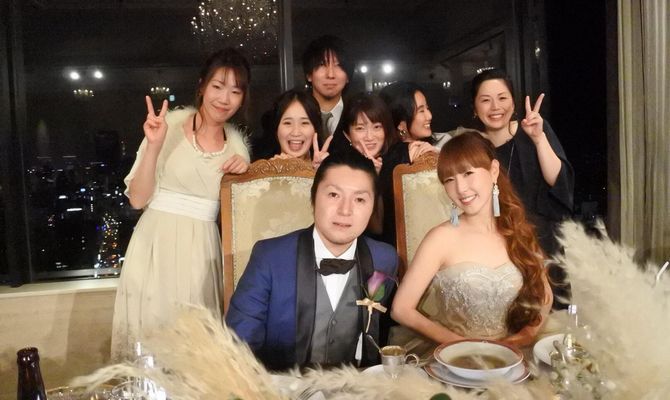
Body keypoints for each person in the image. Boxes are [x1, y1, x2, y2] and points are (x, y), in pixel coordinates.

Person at [111, 48, 252, 361]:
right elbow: (137, 199)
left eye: (235, 91)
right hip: (156, 245)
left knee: (197, 355)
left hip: (203, 253)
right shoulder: (169, 127)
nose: (224, 98)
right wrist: (154, 145)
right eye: (218, 86)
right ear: (201, 86)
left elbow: (242, 217)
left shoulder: (237, 149)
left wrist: (244, 173)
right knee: (152, 346)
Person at [226, 151, 399, 371]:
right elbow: (238, 347)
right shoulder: (270, 257)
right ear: (313, 198)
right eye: (334, 195)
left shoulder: (384, 259)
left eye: (359, 199)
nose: (345, 210)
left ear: (373, 207)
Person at [391, 131, 552, 357]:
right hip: (455, 357)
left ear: (493, 171)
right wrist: (464, 346)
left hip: (511, 353)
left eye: (468, 173)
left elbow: (545, 296)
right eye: (449, 180)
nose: (461, 189)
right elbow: (401, 309)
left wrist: (525, 336)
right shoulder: (440, 238)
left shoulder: (517, 229)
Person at [471, 68, 574, 256]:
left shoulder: (534, 130)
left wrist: (539, 139)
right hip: (495, 245)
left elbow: (560, 182)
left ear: (513, 103)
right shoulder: (474, 147)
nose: (495, 107)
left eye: (502, 98)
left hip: (541, 243)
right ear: (475, 108)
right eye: (485, 100)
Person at [333, 92, 434, 245]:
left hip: (400, 247)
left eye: (377, 127)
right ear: (347, 135)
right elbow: (376, 228)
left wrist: (432, 155)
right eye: (360, 128)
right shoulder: (339, 167)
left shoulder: (403, 154)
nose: (369, 137)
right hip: (352, 246)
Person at [302, 35, 352, 146]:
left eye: (338, 65)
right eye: (322, 64)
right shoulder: (293, 112)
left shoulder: (358, 113)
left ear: (348, 76)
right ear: (309, 75)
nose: (330, 74)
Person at [265, 89, 331, 169]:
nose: (296, 133)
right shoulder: (261, 171)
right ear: (276, 129)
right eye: (288, 123)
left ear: (315, 129)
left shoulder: (330, 170)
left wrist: (319, 172)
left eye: (304, 123)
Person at [379, 81, 451, 149]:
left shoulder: (444, 145)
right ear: (400, 124)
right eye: (421, 111)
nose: (429, 116)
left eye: (427, 108)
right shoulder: (384, 153)